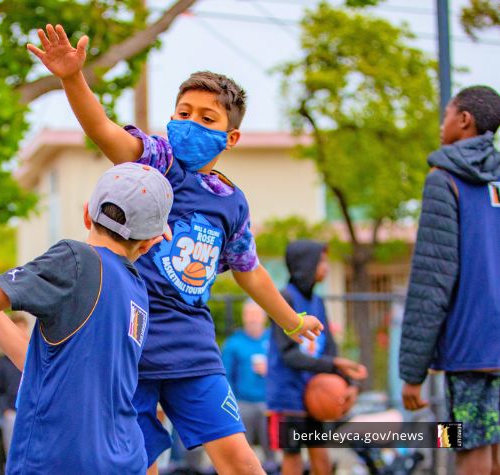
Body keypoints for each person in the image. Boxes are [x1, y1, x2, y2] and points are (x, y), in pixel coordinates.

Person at [25, 23, 323, 474]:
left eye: (207, 118)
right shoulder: (158, 161)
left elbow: (250, 271)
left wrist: (291, 319)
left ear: (231, 137)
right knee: (136, 465)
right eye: (183, 112)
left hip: (193, 348)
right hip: (130, 344)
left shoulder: (233, 203)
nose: (190, 124)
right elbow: (103, 130)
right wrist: (72, 77)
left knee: (242, 461)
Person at [0, 162, 173, 474]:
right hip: (126, 460)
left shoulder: (76, 260)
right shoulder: (136, 292)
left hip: (60, 462)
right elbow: (41, 365)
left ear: (86, 214)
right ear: (150, 241)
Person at [399, 85, 500, 474]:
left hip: (468, 351)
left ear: (464, 120)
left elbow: (431, 281)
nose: (442, 125)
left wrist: (412, 373)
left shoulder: (444, 179)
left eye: (446, 115)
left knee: (464, 448)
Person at [266, 240, 367, 475]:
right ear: (306, 264)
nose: (327, 266)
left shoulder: (318, 301)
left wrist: (348, 383)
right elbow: (289, 355)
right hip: (288, 393)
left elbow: (330, 350)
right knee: (292, 457)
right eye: (321, 261)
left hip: (315, 390)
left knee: (320, 452)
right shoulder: (285, 299)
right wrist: (333, 365)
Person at [223, 300, 276, 471]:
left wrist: (270, 369)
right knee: (242, 451)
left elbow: (285, 369)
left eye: (256, 314)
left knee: (273, 449)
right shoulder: (233, 343)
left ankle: (273, 467)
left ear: (264, 317)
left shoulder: (274, 340)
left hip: (269, 402)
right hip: (243, 402)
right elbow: (225, 376)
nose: (253, 318)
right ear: (244, 317)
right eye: (249, 314)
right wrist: (233, 404)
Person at [0, 313, 30, 455]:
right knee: (13, 453)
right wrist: (5, 410)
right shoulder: (3, 363)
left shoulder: (34, 357)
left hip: (31, 413)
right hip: (13, 413)